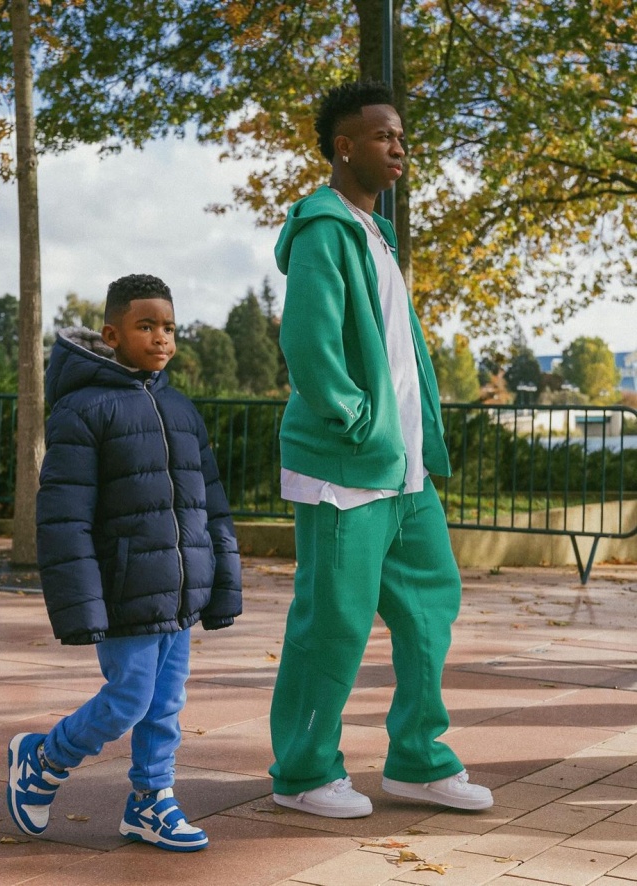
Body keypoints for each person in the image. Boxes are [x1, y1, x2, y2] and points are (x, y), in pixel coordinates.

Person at [268, 81, 493, 818]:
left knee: (429, 609)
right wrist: (359, 421)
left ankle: (419, 762)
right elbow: (309, 344)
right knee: (333, 622)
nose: (398, 147)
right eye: (382, 135)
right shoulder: (323, 229)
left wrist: (414, 438)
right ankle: (303, 773)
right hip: (345, 467)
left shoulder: (376, 235)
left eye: (400, 136)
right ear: (344, 146)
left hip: (405, 470)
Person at [6, 274, 242, 852]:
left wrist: (223, 580)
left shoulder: (181, 409)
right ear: (112, 335)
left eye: (169, 327)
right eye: (146, 326)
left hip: (180, 590)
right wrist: (80, 606)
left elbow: (211, 502)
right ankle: (44, 758)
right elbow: (64, 517)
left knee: (166, 704)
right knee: (130, 698)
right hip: (123, 588)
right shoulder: (82, 410)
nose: (161, 338)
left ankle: (150, 802)